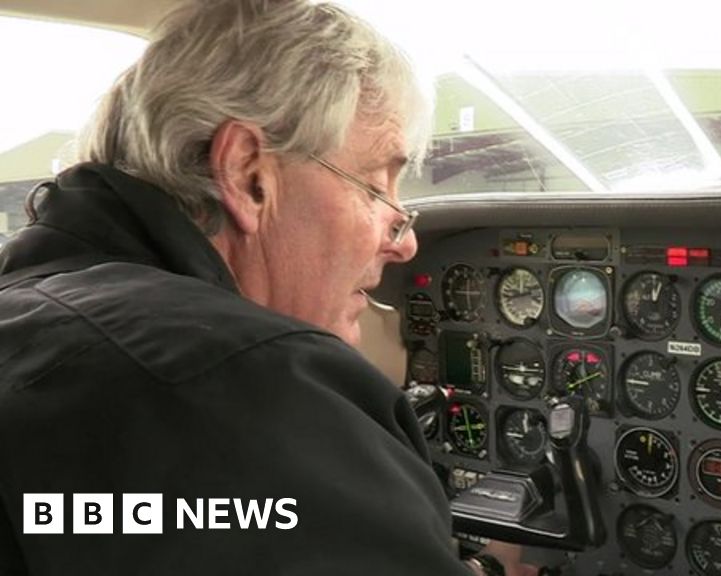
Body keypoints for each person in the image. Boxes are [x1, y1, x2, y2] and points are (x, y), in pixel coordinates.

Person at [0, 1, 535, 575]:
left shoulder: (27, 312)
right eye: (375, 187)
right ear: (249, 176)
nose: (404, 244)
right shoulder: (249, 389)